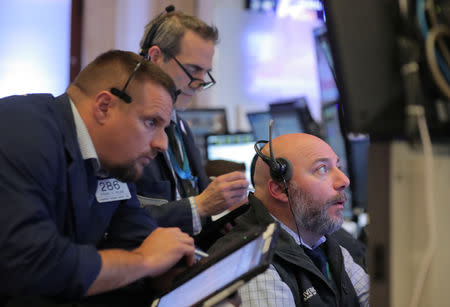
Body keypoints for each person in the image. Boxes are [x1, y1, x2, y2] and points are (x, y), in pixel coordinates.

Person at [0, 50, 196, 306]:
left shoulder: (111, 159)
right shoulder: (22, 131)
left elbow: (135, 233)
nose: (162, 144)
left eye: (165, 128)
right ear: (104, 107)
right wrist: (143, 262)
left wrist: (180, 274)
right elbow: (33, 263)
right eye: (151, 122)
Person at [208, 133, 369, 306]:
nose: (344, 180)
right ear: (279, 189)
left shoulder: (321, 243)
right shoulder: (252, 265)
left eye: (338, 166)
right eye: (322, 169)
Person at [135, 8, 249, 249]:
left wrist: (221, 213)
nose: (199, 83)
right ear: (155, 57)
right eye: (193, 69)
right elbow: (121, 224)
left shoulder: (181, 128)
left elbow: (197, 202)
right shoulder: (126, 129)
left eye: (206, 72)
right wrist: (200, 207)